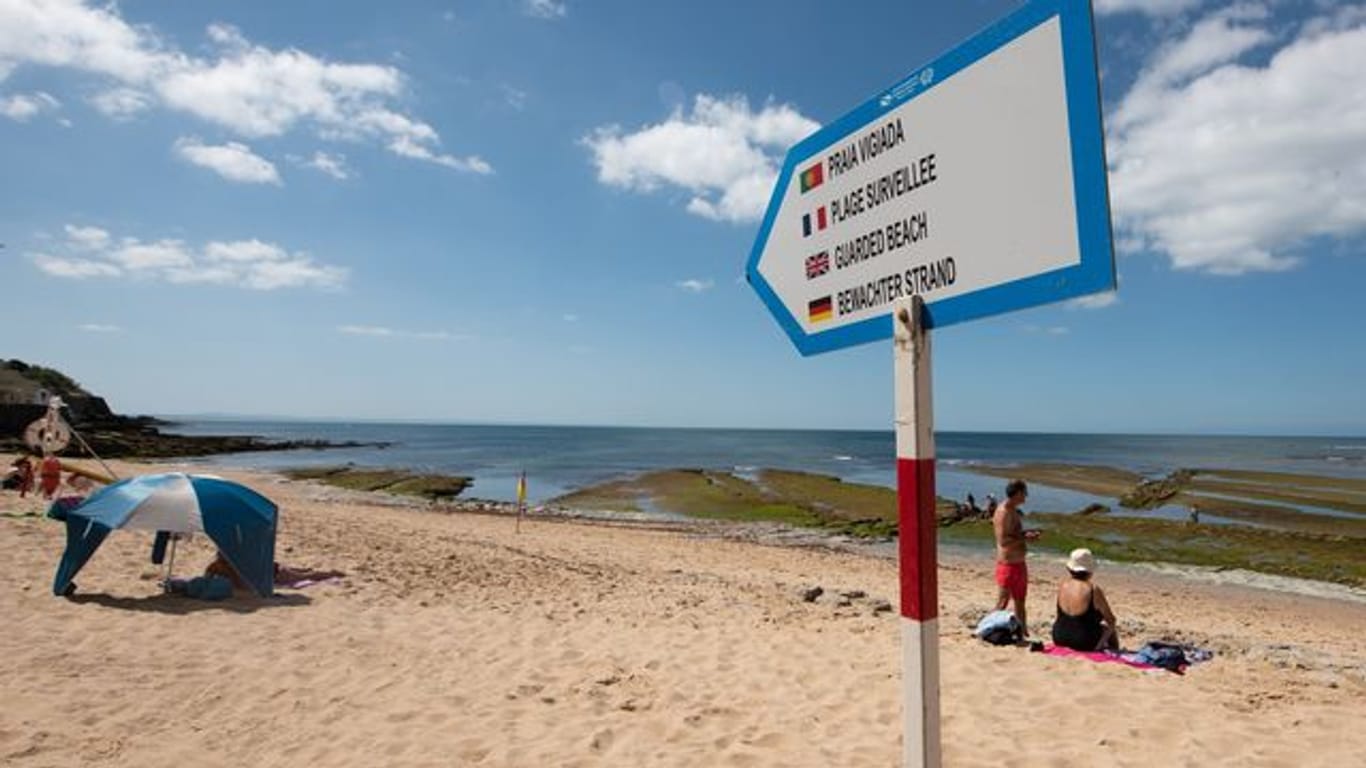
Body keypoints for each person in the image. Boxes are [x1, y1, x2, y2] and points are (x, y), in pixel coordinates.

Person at [993, 479, 1040, 637]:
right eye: (1024, 493)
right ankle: (987, 628)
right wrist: (1025, 538)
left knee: (1020, 601)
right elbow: (1004, 541)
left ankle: (1023, 632)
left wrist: (1026, 534)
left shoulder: (1013, 510)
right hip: (1007, 564)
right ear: (1017, 493)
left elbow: (1013, 534)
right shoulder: (1003, 512)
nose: (1026, 496)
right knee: (1002, 602)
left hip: (1019, 563)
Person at [1051, 548, 1119, 651]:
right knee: (1108, 628)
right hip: (1083, 641)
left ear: (1070, 569)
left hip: (1059, 637)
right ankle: (1114, 650)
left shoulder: (1063, 585)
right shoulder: (1093, 589)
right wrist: (1098, 647)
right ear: (1090, 571)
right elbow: (1111, 620)